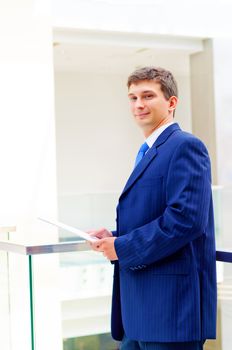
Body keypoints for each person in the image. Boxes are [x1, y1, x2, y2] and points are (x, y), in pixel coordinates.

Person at [88, 66, 217, 350]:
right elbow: (154, 215)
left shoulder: (185, 147)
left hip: (170, 312)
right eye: (132, 98)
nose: (139, 104)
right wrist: (113, 236)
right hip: (139, 311)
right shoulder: (149, 151)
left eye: (147, 96)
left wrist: (122, 247)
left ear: (171, 103)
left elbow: (185, 220)